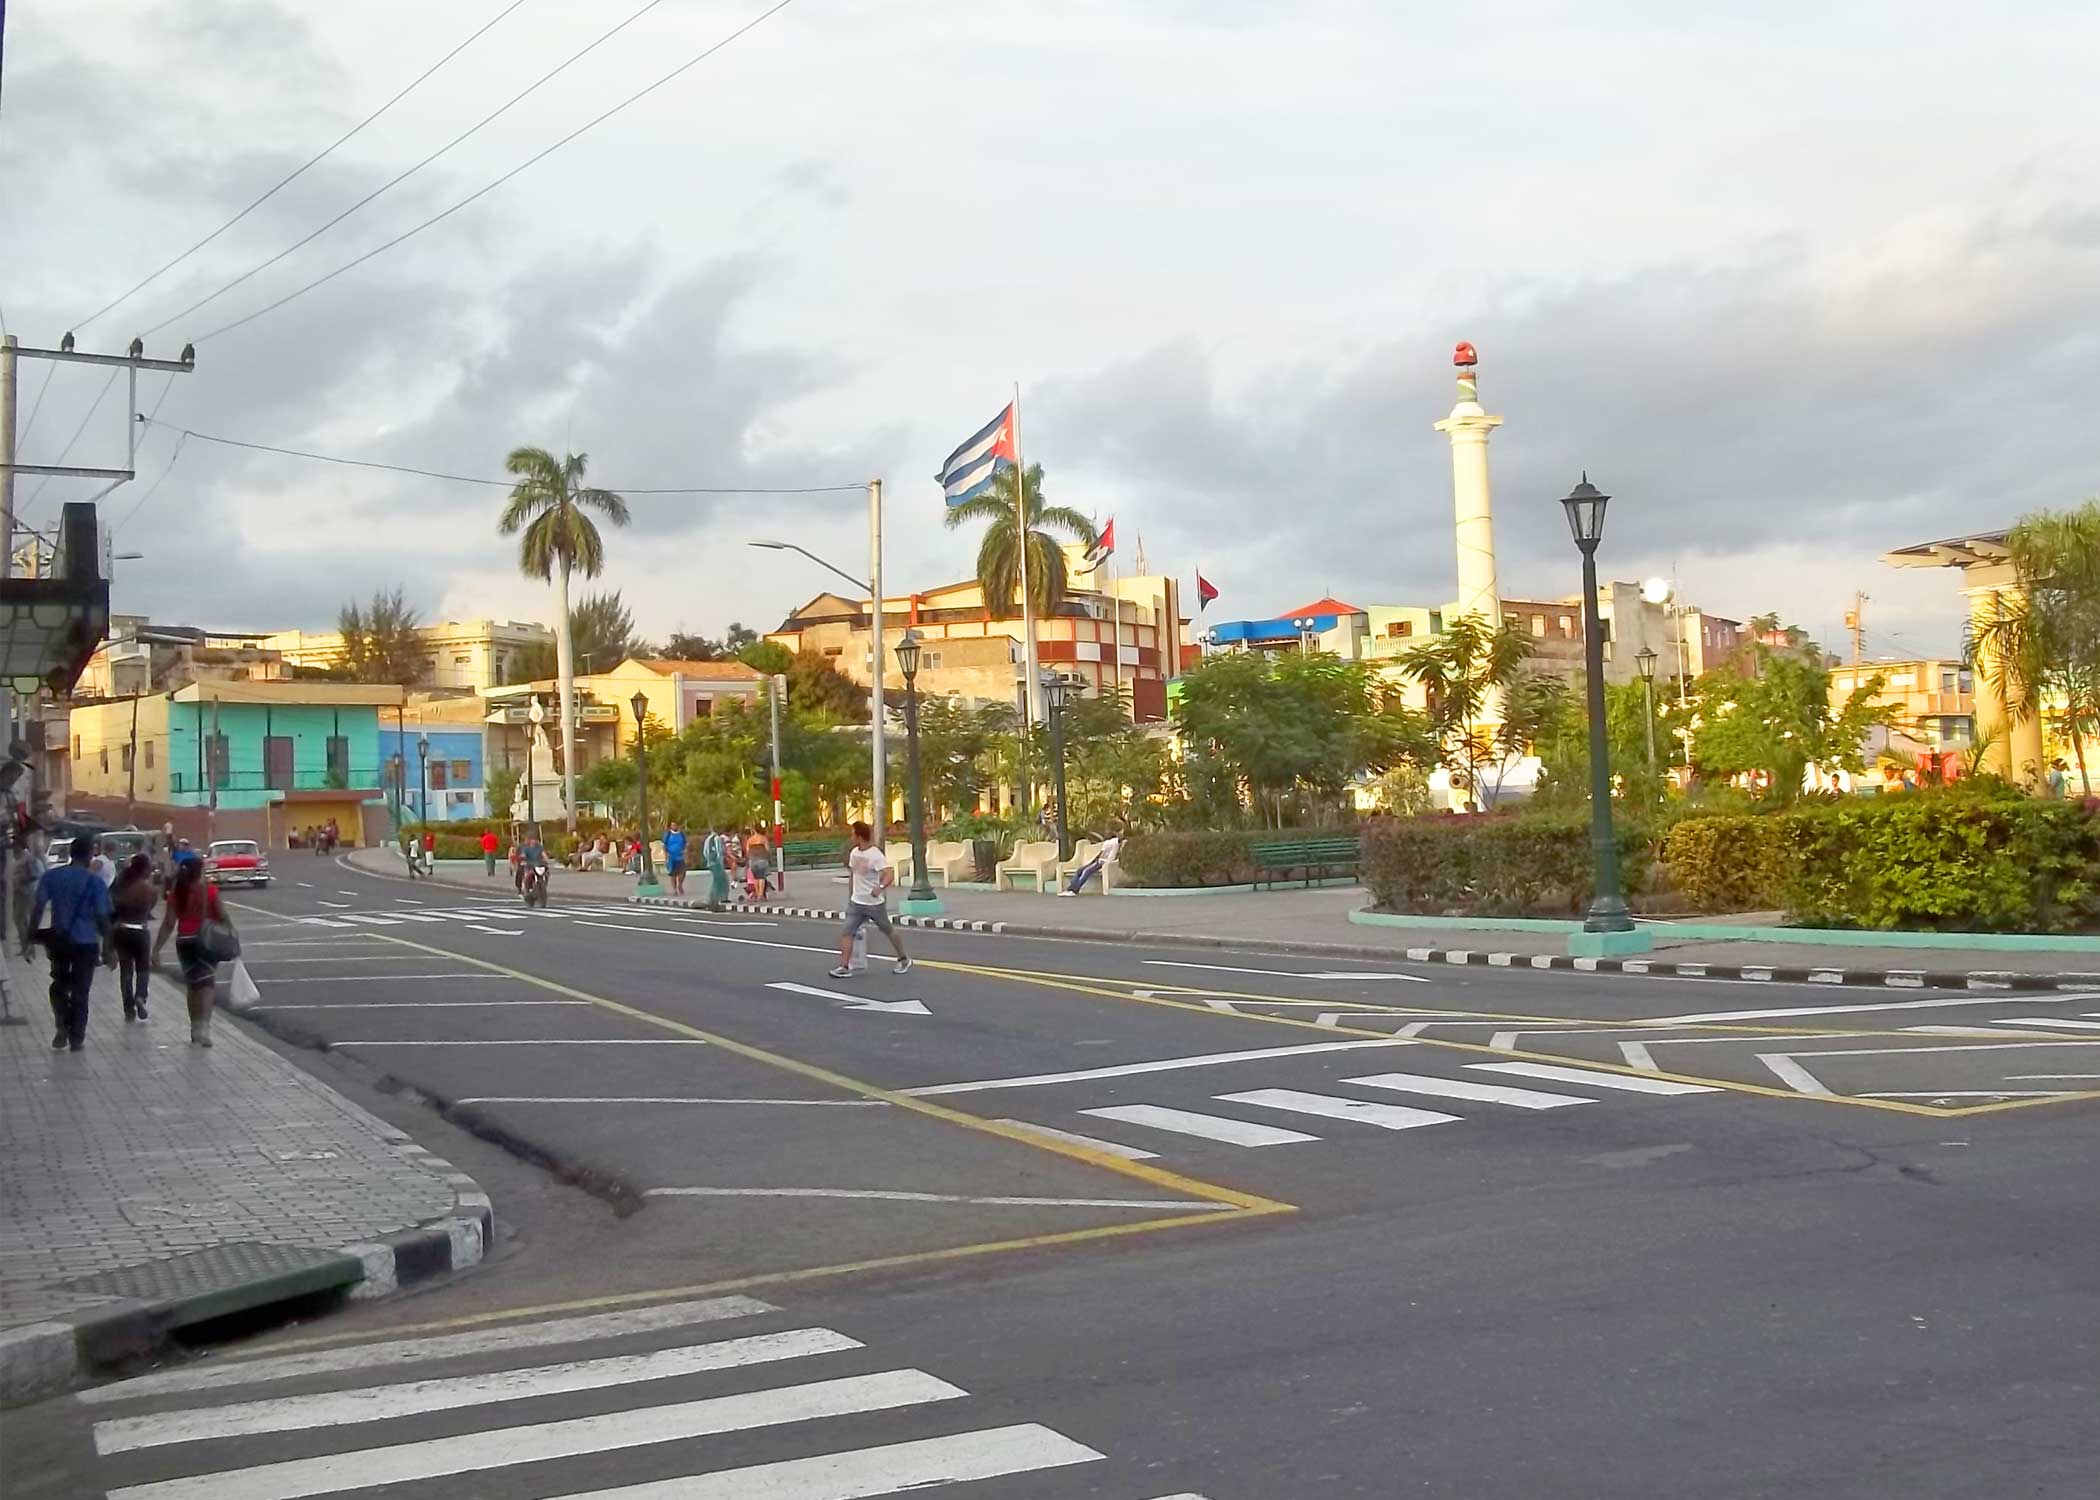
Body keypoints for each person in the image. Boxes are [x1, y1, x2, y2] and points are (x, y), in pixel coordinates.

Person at [26, 836, 114, 1052]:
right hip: (86, 943)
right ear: (90, 855)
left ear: (71, 854)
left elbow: (38, 908)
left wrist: (29, 938)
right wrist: (109, 949)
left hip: (60, 941)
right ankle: (77, 1038)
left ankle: (62, 1022)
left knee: (59, 984)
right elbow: (103, 918)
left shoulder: (52, 876)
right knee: (81, 990)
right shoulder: (95, 883)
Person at [153, 852, 229, 1047]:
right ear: (200, 872)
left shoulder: (176, 893)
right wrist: (229, 932)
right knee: (207, 984)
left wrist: (156, 949)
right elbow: (222, 915)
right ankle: (204, 1029)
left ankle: (194, 1028)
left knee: (193, 985)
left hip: (184, 942)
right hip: (206, 941)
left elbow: (169, 922)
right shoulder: (209, 891)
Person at [831, 820, 910, 977]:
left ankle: (903, 959)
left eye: (853, 834)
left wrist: (880, 888)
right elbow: (853, 875)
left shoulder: (875, 855)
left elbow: (889, 874)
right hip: (856, 903)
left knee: (888, 930)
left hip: (874, 904)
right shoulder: (854, 853)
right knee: (847, 932)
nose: (851, 837)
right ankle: (844, 967)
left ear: (860, 836)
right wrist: (851, 896)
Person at [110, 853, 158, 1022]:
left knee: (126, 970)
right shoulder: (149, 889)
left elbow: (111, 906)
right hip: (140, 930)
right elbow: (150, 906)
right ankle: (141, 996)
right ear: (145, 869)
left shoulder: (121, 884)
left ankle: (128, 1008)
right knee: (143, 968)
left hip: (121, 929)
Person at [1058, 829, 1123, 896]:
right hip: (1098, 861)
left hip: (1104, 862)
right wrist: (1093, 861)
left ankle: (1074, 891)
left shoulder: (1115, 842)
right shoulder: (1107, 842)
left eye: (1108, 832)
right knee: (1079, 870)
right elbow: (1101, 853)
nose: (1106, 833)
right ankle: (1069, 889)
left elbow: (1113, 854)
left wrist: (1104, 862)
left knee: (1086, 871)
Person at [703, 825, 730, 908]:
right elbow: (719, 851)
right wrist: (720, 862)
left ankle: (714, 897)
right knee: (721, 880)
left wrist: (708, 860)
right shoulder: (717, 838)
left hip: (710, 862)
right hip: (717, 862)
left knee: (717, 880)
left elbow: (705, 852)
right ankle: (720, 898)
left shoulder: (708, 839)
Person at [745, 827, 772, 901]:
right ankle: (761, 895)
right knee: (761, 877)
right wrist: (769, 857)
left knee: (756, 878)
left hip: (752, 860)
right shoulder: (764, 839)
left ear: (754, 830)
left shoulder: (750, 840)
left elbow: (747, 850)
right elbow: (767, 849)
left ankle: (757, 893)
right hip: (762, 859)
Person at [661, 821, 688, 897]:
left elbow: (686, 844)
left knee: (682, 874)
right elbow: (663, 845)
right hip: (671, 857)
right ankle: (674, 889)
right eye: (672, 825)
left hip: (681, 857)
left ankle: (680, 885)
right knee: (673, 874)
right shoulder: (668, 834)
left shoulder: (681, 834)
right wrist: (666, 855)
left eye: (675, 825)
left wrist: (685, 851)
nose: (674, 826)